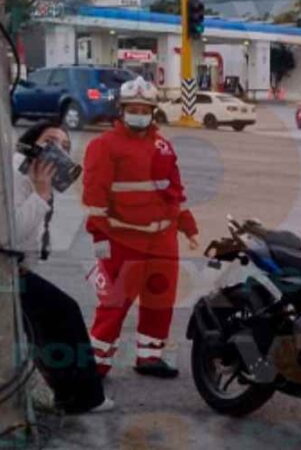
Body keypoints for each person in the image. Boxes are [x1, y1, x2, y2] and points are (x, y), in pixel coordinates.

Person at [83, 77, 199, 379]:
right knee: (114, 304)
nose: (139, 114)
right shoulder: (103, 146)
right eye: (132, 109)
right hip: (123, 238)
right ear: (121, 111)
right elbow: (95, 200)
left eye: (144, 110)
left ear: (153, 112)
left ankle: (149, 358)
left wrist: (187, 226)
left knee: (160, 300)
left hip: (163, 238)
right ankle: (96, 364)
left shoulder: (163, 146)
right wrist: (100, 240)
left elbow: (173, 191)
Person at [14, 120, 114, 414]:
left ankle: (66, 392)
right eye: (50, 141)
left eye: (65, 146)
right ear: (32, 143)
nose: (58, 150)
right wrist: (41, 193)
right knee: (62, 312)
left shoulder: (32, 175)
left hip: (14, 268)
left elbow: (31, 240)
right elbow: (13, 232)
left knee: (51, 317)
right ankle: (81, 398)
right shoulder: (19, 174)